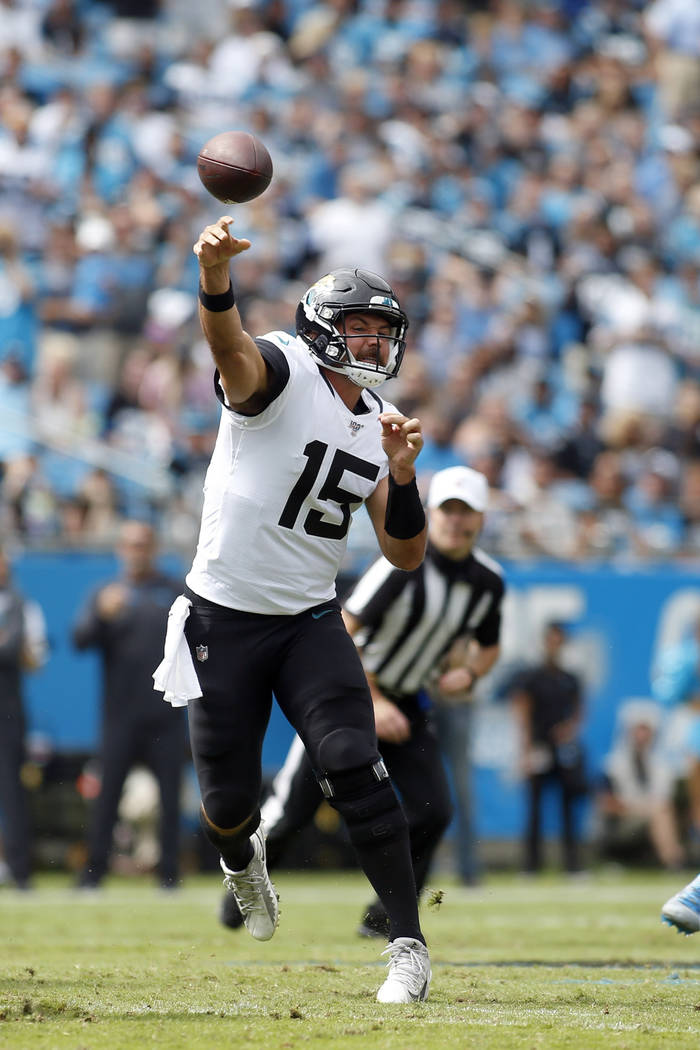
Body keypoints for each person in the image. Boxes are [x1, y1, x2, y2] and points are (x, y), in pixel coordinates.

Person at [153, 215, 432, 1004]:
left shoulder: (380, 428)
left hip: (310, 620)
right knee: (228, 808)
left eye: (385, 331)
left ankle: (407, 946)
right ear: (322, 329)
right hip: (223, 618)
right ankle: (243, 866)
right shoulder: (282, 370)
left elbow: (405, 552)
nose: (376, 344)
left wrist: (405, 475)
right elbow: (229, 350)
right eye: (362, 328)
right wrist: (215, 277)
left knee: (351, 758)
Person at [220, 464, 505, 936]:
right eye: (448, 511)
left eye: (466, 512)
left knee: (434, 811)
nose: (456, 521)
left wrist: (471, 671)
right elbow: (342, 631)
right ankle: (239, 894)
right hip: (347, 699)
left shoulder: (488, 582)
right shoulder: (402, 567)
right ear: (431, 514)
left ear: (482, 520)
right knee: (292, 810)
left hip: (409, 706)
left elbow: (490, 643)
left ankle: (384, 918)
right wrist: (373, 699)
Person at [73, 519, 186, 890]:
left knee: (171, 799)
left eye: (142, 544)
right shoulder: (106, 594)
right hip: (119, 716)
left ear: (153, 548)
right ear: (120, 549)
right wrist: (101, 616)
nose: (136, 552)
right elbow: (80, 639)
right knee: (107, 798)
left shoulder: (172, 591)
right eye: (130, 545)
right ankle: (94, 873)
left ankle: (169, 874)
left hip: (165, 715)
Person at [509, 621, 588, 875]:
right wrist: (526, 747)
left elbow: (578, 711)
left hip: (563, 748)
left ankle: (572, 865)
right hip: (539, 746)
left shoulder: (570, 678)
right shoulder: (532, 676)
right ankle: (531, 865)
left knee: (568, 806)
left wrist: (569, 729)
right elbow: (522, 710)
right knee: (534, 806)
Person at [0, 546, 48, 890]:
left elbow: (31, 656)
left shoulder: (23, 606)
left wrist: (13, 647)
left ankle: (19, 870)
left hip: (7, 710)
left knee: (11, 790)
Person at [596, 698, 684, 871]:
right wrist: (641, 809)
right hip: (623, 823)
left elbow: (666, 800)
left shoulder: (661, 764)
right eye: (638, 729)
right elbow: (606, 804)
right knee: (659, 812)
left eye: (646, 730)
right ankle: (674, 861)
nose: (642, 735)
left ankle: (673, 859)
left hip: (653, 816)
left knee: (661, 812)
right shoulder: (613, 764)